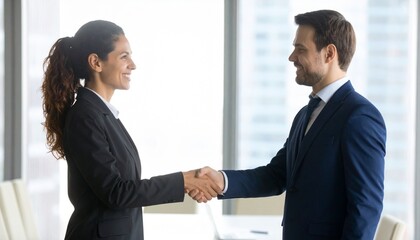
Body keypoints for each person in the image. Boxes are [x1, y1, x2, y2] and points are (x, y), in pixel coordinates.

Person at [193, 10, 386, 239]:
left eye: (301, 49)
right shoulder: (306, 114)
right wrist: (222, 180)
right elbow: (276, 175)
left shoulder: (359, 117)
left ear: (329, 53)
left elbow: (366, 208)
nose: (292, 57)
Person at [41, 20, 221, 240]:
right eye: (124, 56)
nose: (133, 65)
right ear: (96, 62)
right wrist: (183, 181)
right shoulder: (85, 116)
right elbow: (116, 192)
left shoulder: (103, 114)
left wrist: (185, 182)